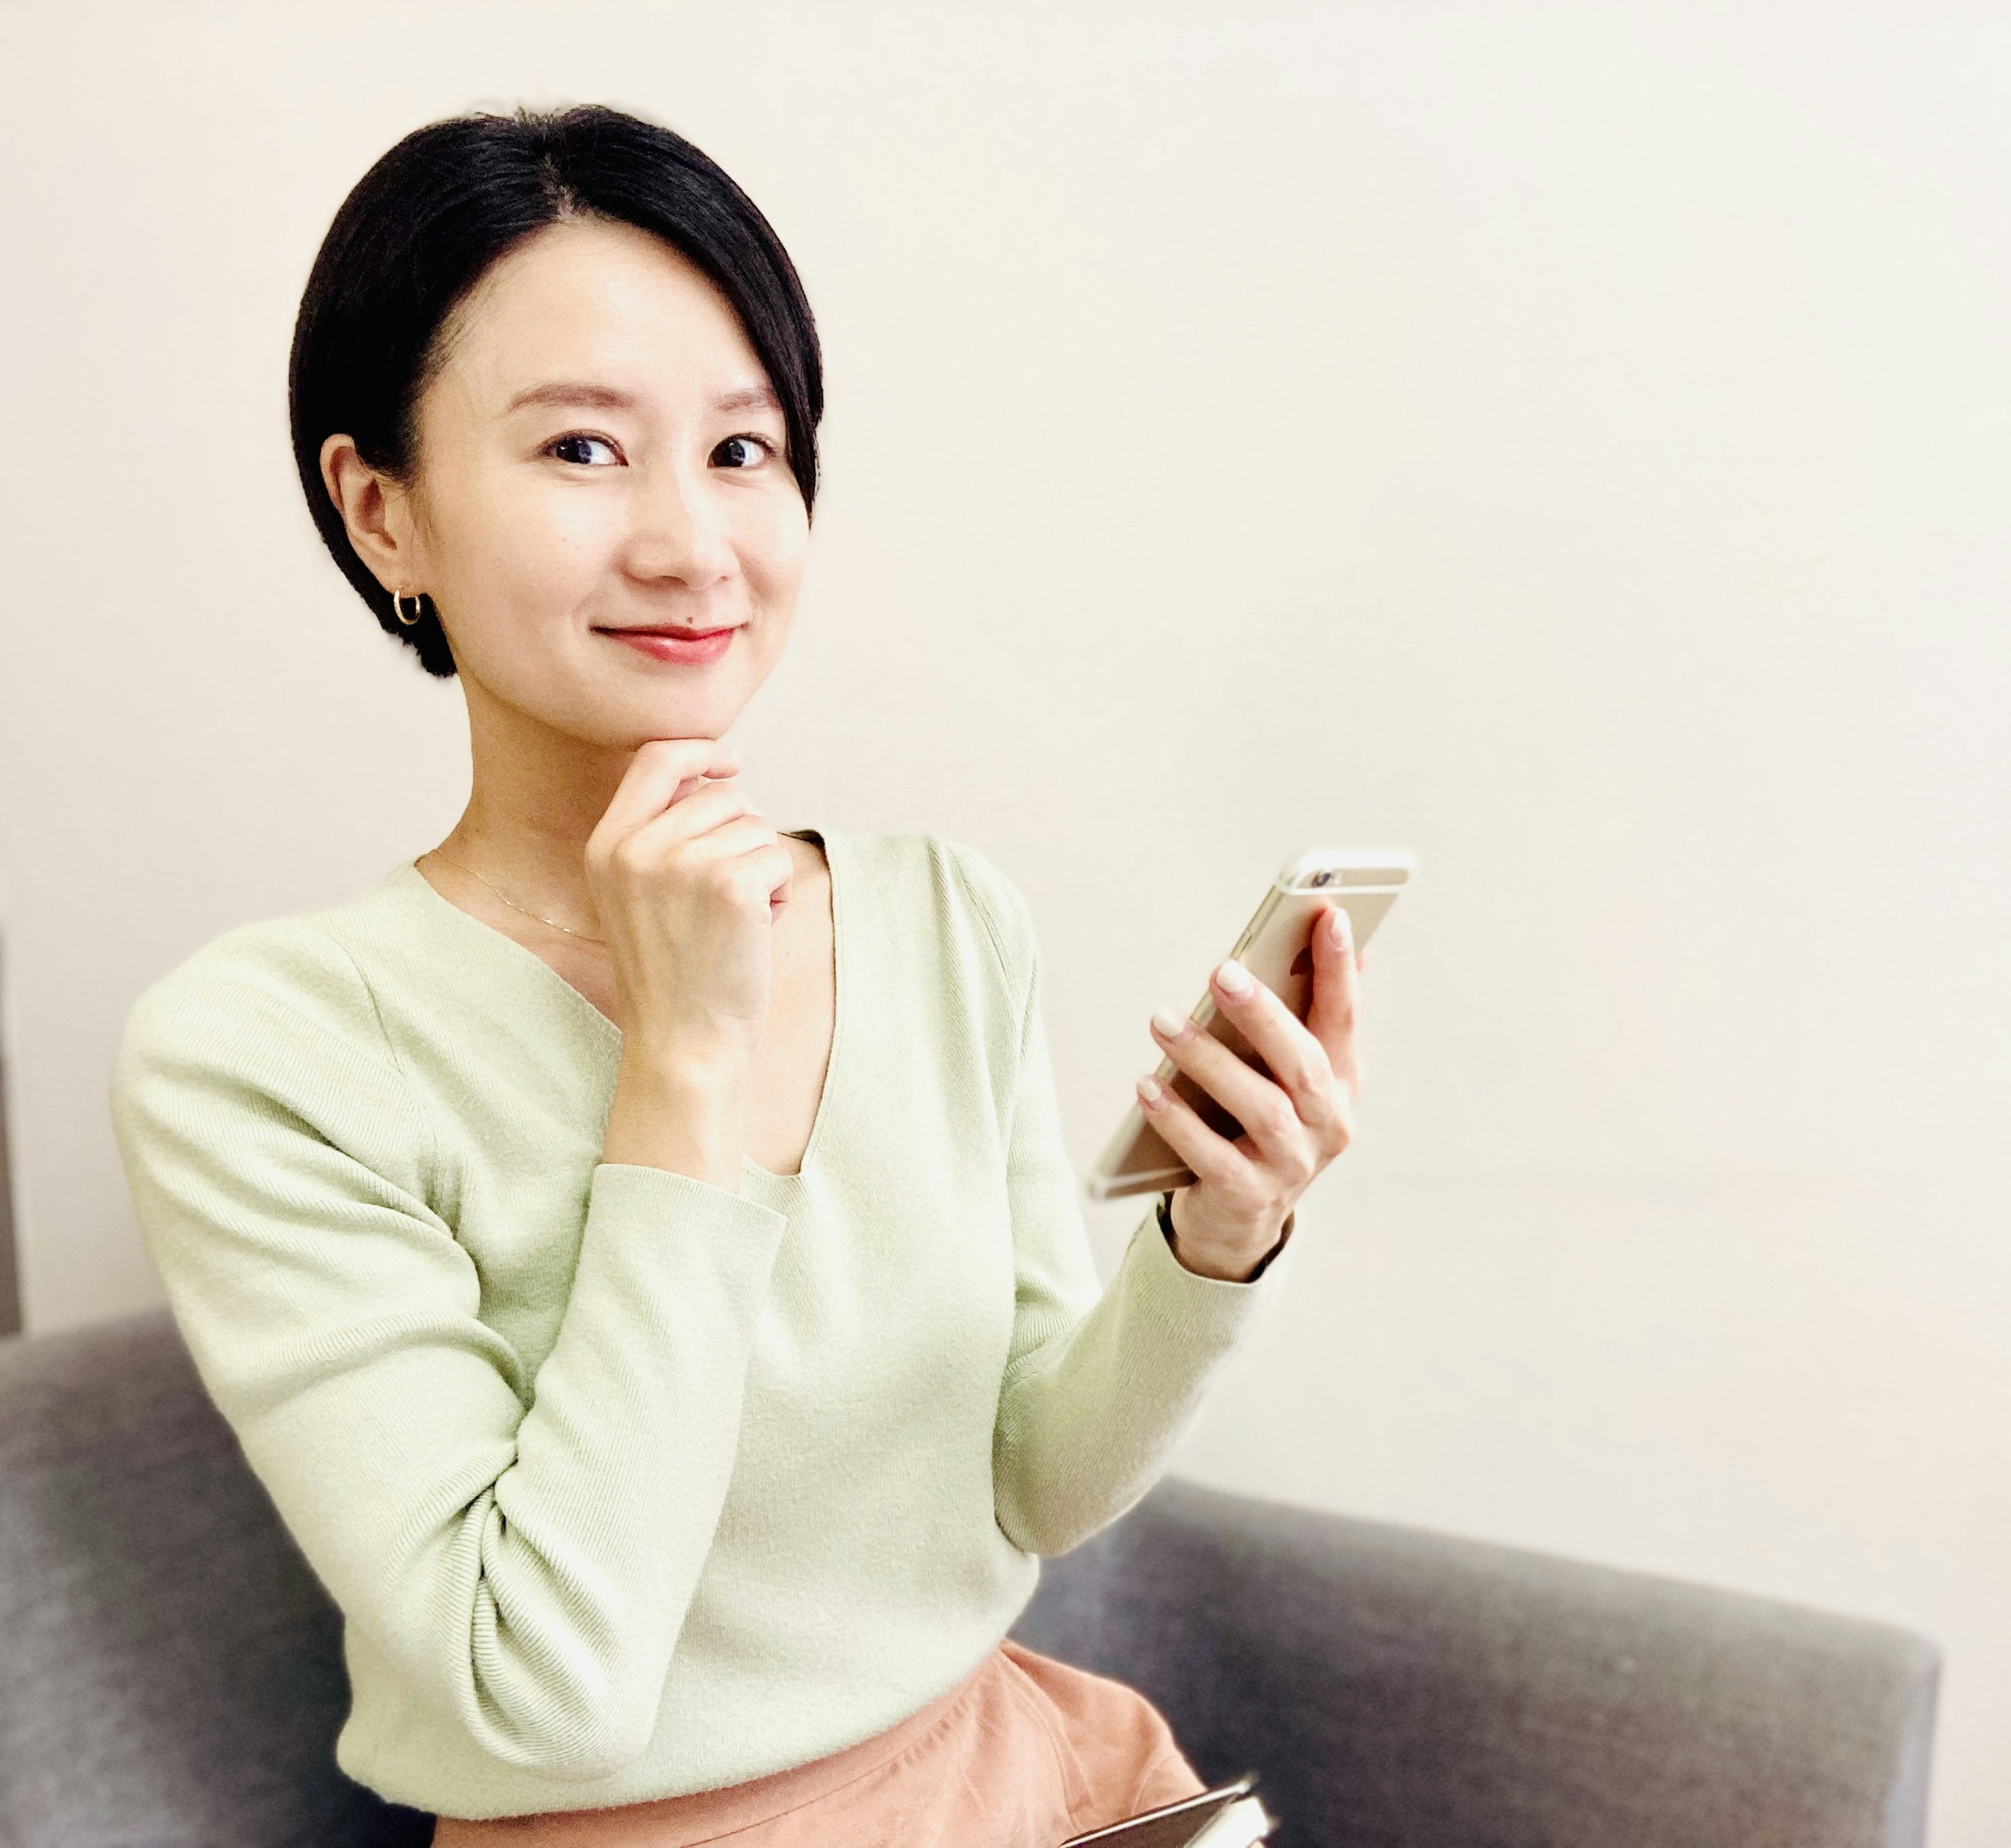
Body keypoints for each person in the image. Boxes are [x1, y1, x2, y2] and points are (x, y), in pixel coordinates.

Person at [109, 105, 1365, 1847]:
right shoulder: (261, 1054)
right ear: (380, 510)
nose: (695, 546)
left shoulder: (943, 918)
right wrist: (685, 1078)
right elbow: (539, 1695)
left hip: (1017, 1775)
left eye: (745, 451)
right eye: (580, 452)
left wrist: (1213, 1247)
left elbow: (1033, 1483)